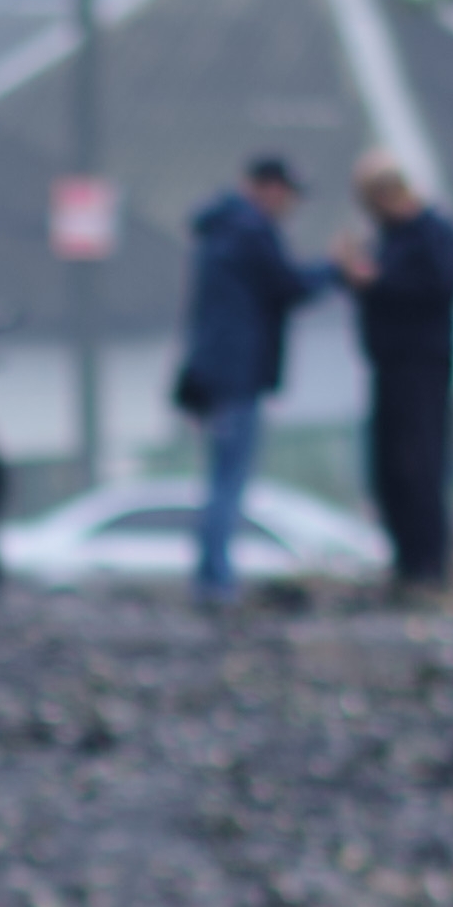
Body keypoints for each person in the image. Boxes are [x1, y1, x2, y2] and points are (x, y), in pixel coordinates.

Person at [176, 154, 337, 604]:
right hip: (236, 375)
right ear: (269, 188)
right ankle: (215, 581)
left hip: (216, 373)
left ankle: (212, 576)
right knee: (229, 479)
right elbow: (288, 285)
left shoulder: (220, 231)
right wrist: (337, 270)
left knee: (220, 477)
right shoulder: (249, 231)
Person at [334, 152, 453, 592]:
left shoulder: (435, 235)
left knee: (420, 463)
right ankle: (404, 561)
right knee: (389, 468)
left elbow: (438, 289)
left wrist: (376, 283)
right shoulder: (389, 241)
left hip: (422, 367)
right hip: (387, 366)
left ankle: (428, 565)